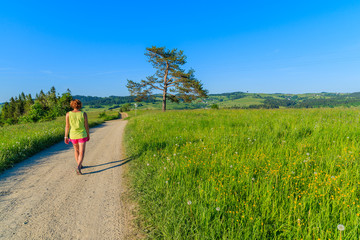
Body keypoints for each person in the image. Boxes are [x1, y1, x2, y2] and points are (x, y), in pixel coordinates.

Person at [64, 99, 90, 175]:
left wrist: (65, 136)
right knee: (82, 151)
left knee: (76, 150)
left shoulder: (68, 114)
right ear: (80, 105)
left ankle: (79, 164)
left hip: (73, 135)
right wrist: (88, 134)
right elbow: (86, 126)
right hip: (82, 135)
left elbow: (67, 126)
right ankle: (79, 166)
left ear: (72, 105)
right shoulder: (83, 114)